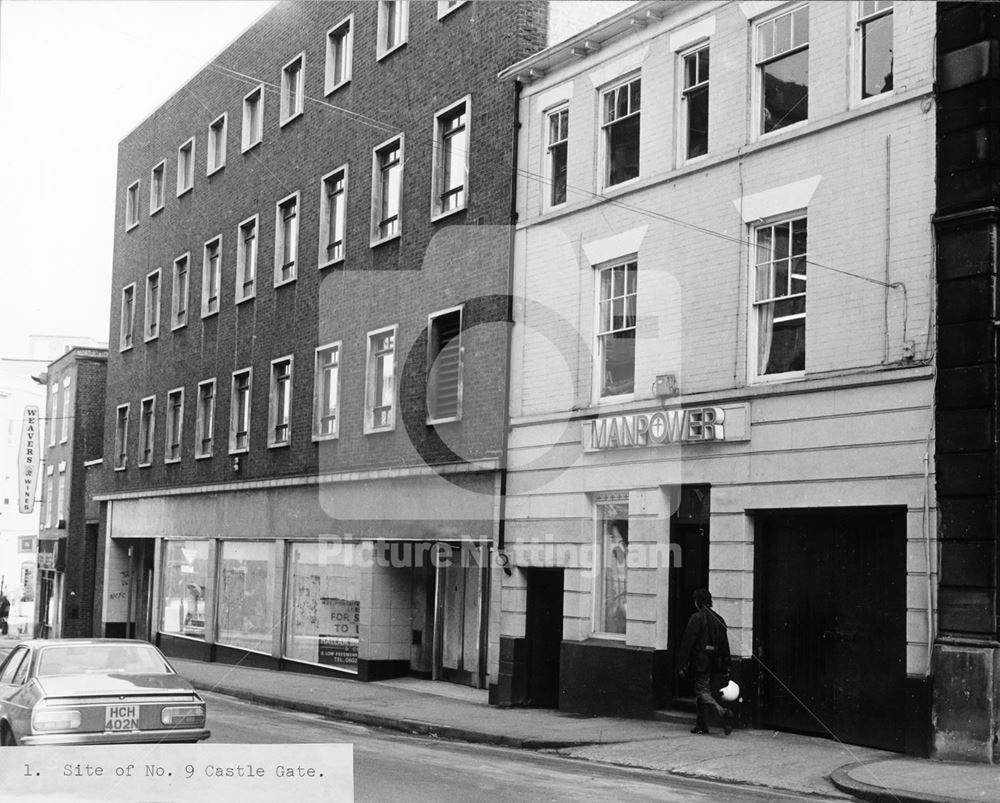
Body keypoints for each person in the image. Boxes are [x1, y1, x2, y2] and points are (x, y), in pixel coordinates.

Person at [677, 588, 733, 735]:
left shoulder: (697, 618)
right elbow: (724, 644)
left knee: (702, 691)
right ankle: (702, 725)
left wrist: (682, 663)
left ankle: (722, 711)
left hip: (700, 661)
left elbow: (688, 642)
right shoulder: (719, 619)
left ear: (697, 602)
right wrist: (726, 665)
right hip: (715, 662)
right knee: (702, 692)